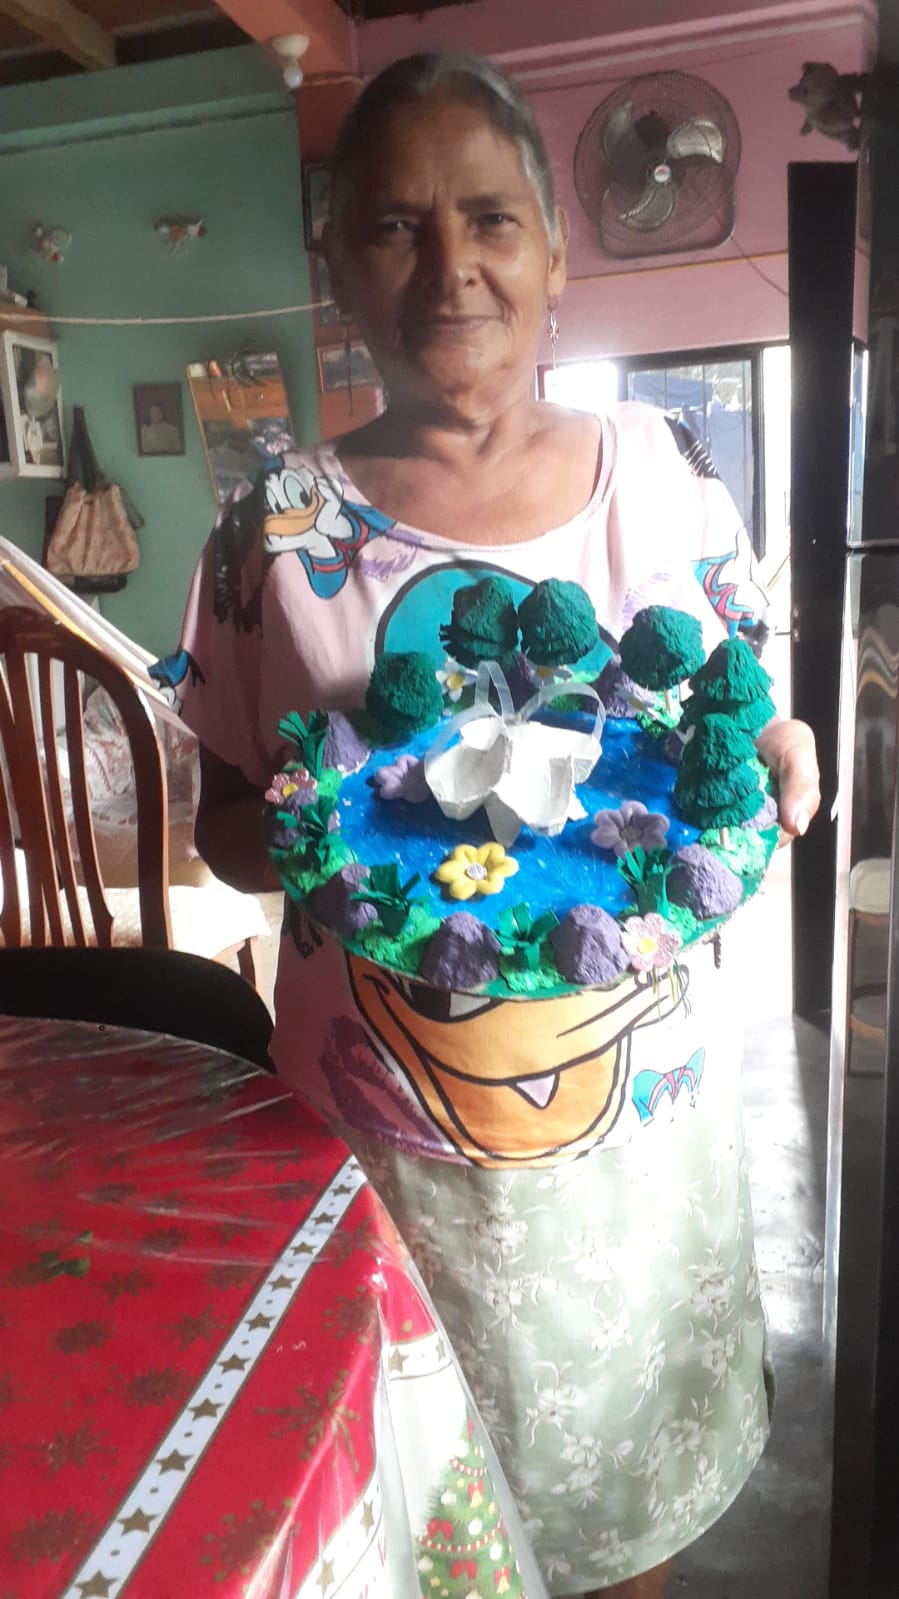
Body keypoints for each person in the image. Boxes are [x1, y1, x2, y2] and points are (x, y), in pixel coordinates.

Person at [169, 51, 820, 1599]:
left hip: (633, 1138)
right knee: (421, 1529)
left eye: (488, 218)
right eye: (394, 226)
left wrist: (783, 754)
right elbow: (220, 825)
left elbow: (738, 729)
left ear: (557, 251)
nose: (447, 264)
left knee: (621, 1526)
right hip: (382, 1134)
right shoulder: (274, 529)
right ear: (336, 267)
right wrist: (307, 833)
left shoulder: (660, 475)